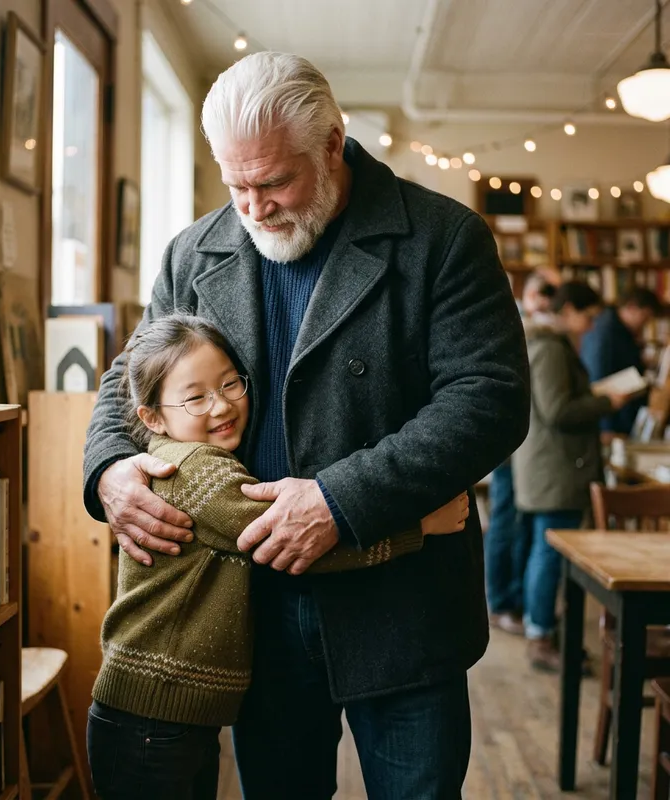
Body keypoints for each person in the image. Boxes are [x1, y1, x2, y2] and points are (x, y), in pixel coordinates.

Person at [83, 52, 530, 799]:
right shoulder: (194, 251)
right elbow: (127, 380)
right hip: (251, 608)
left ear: (332, 144)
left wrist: (337, 500)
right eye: (235, 183)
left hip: (403, 607)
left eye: (273, 182)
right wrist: (108, 470)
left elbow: (488, 399)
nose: (252, 207)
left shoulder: (443, 237)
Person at [87, 313, 470, 799]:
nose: (221, 405)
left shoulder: (204, 459)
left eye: (230, 384)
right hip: (149, 718)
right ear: (152, 417)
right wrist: (416, 527)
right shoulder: (196, 472)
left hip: (170, 714)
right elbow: (297, 543)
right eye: (196, 396)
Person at [513, 282, 631, 671]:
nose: (592, 325)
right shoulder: (548, 348)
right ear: (569, 311)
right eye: (589, 316)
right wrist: (604, 402)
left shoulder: (549, 343)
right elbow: (558, 410)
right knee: (548, 556)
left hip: (552, 468)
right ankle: (540, 635)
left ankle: (546, 631)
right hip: (555, 471)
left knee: (546, 554)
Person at [487, 271, 557, 635]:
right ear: (528, 292)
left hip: (522, 438)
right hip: (507, 436)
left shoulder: (529, 320)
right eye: (545, 293)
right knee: (504, 517)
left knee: (511, 518)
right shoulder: (511, 314)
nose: (549, 301)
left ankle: (508, 598)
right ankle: (500, 602)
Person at [580, 287, 660, 435]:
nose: (645, 324)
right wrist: (606, 427)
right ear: (631, 308)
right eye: (645, 317)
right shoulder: (605, 331)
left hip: (621, 413)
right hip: (611, 420)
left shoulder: (623, 331)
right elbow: (598, 378)